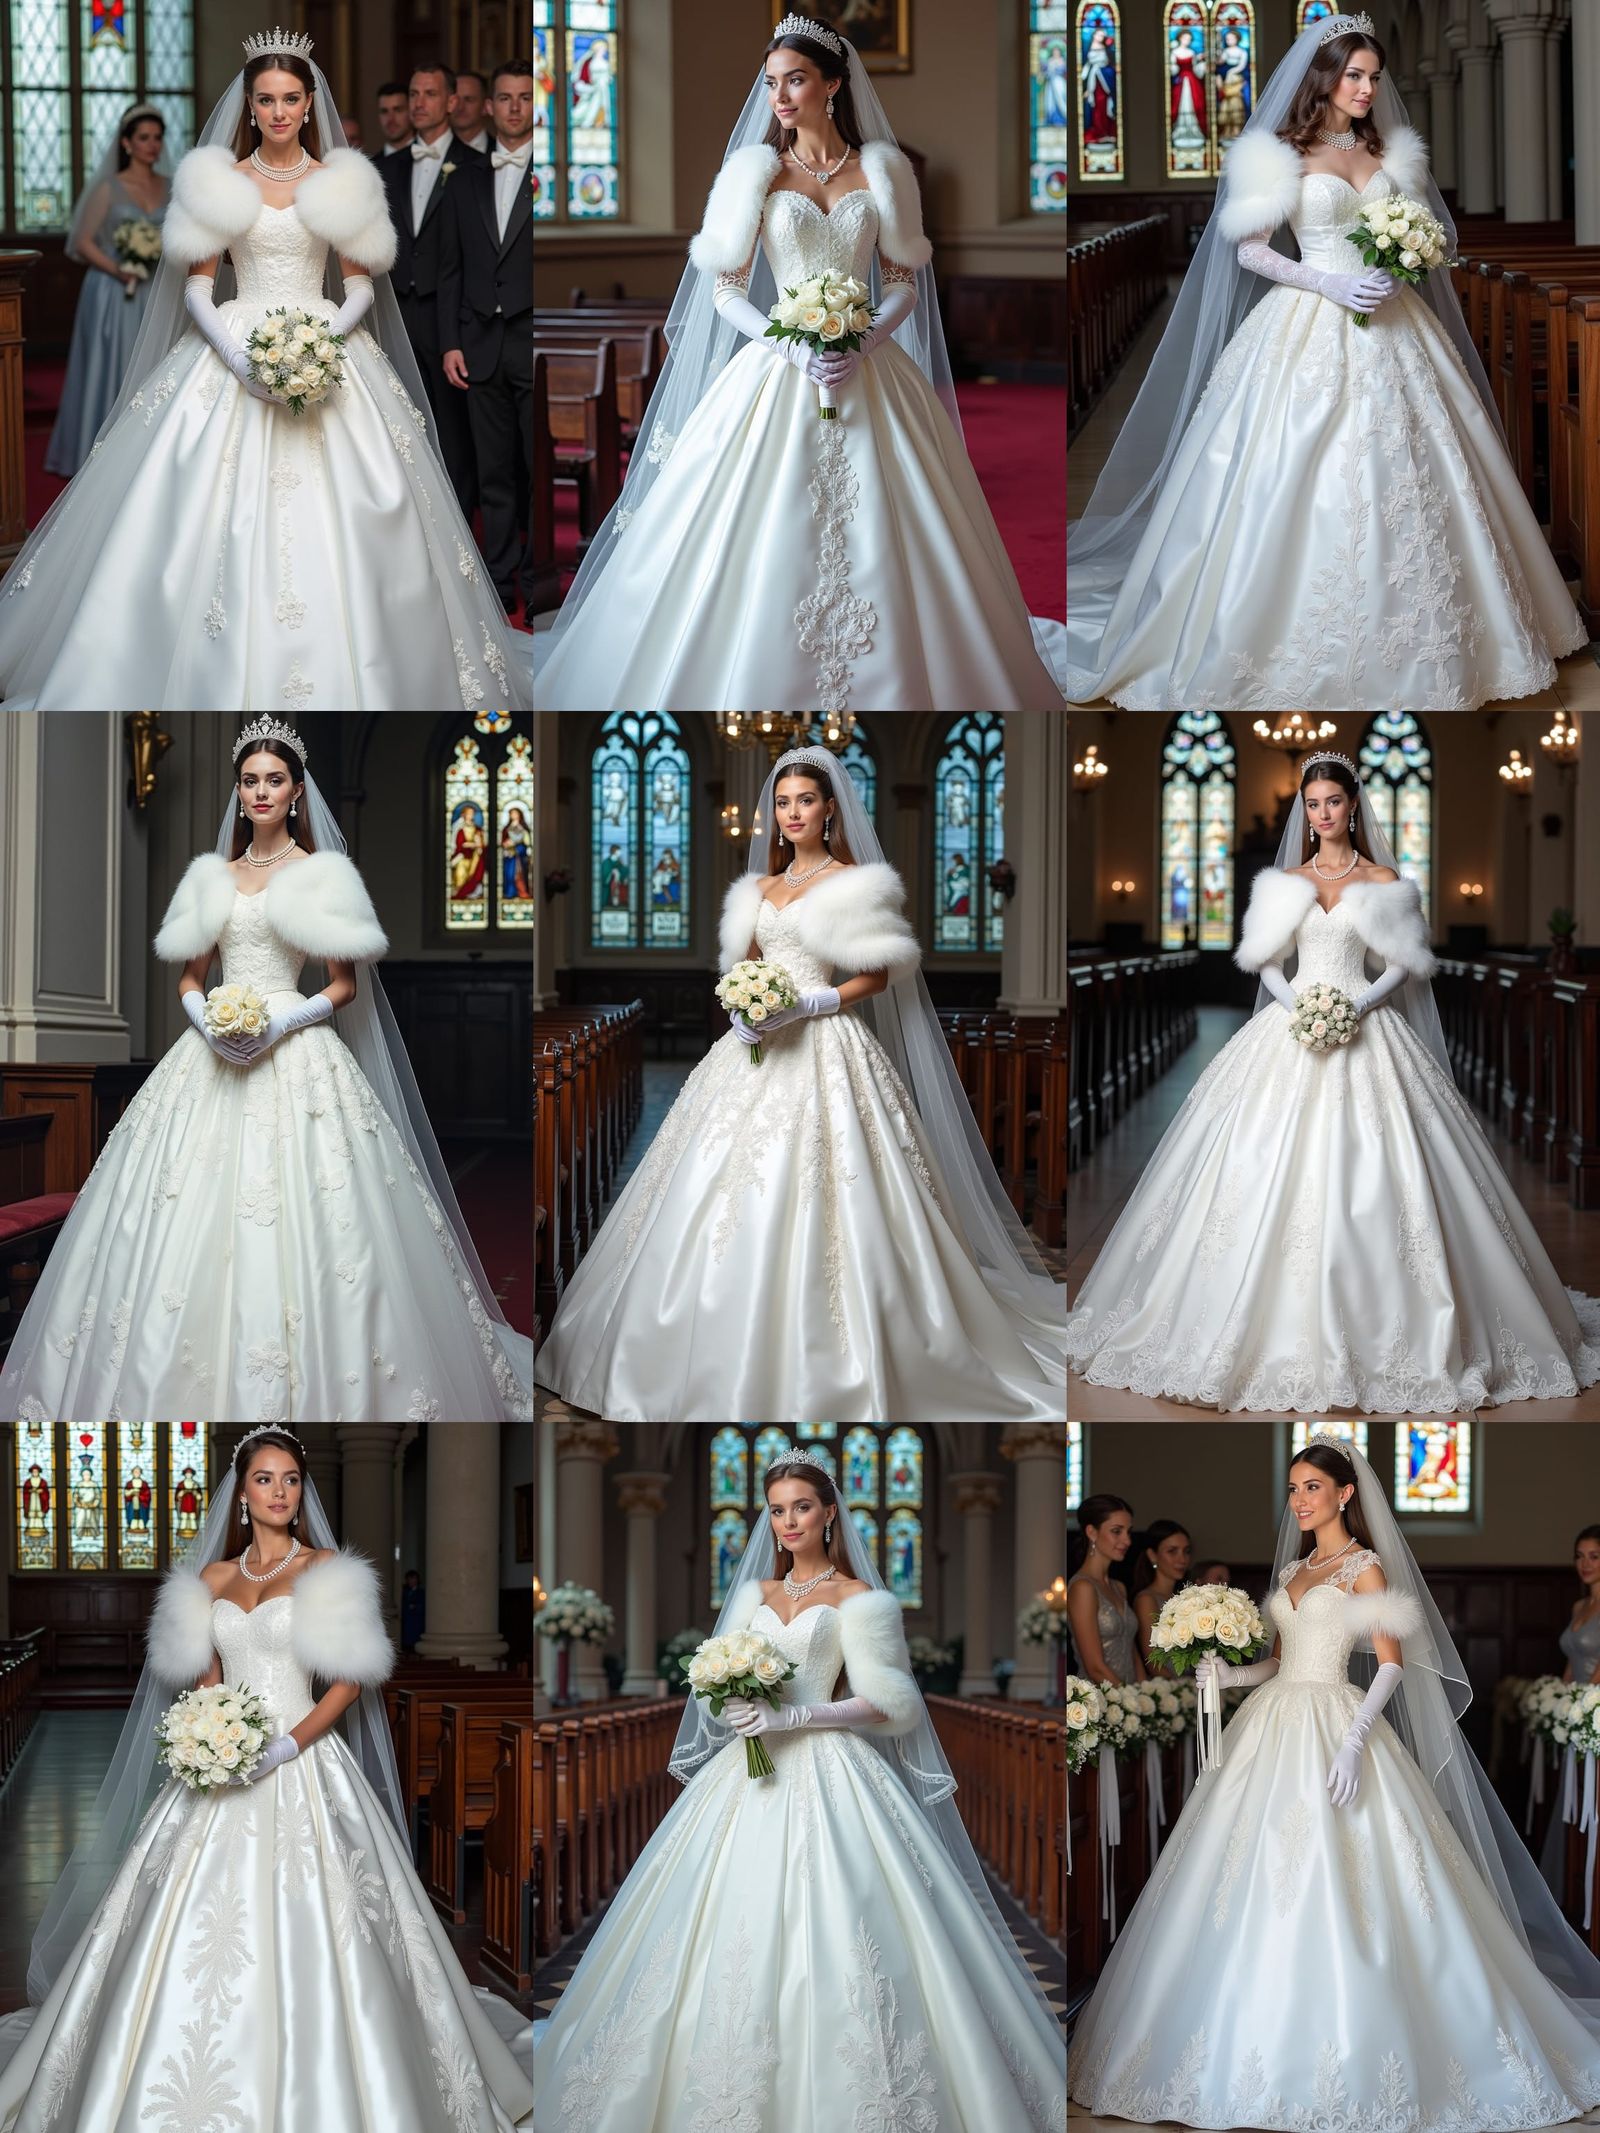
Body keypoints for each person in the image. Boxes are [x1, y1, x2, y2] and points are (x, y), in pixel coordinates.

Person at [0, 716, 532, 1423]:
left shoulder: (320, 874)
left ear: (296, 789)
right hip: (211, 1050)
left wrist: (281, 1020)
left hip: (296, 1046)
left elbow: (343, 984)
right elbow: (190, 976)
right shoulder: (212, 875)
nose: (259, 791)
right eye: (249, 780)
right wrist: (210, 1023)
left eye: (273, 779)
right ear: (239, 789)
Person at [0, 1428, 534, 2130]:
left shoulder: (326, 1570)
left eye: (289, 1478)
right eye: (263, 1478)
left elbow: (346, 1682)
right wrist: (207, 1734)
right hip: (221, 1769)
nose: (278, 1490)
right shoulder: (212, 1578)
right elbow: (208, 1680)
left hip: (303, 1758)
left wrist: (285, 1743)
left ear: (300, 1490)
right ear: (242, 1490)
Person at [534, 14, 1068, 712]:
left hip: (866, 368)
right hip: (775, 370)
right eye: (771, 83)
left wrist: (863, 341)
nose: (779, 97)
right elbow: (724, 290)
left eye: (795, 80)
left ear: (833, 84)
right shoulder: (754, 174)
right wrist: (788, 342)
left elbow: (904, 281)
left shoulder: (882, 172)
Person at [1070, 1435, 1600, 2126]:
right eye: (1293, 1487)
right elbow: (1280, 1660)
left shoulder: (1365, 1569)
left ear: (1346, 1492)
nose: (1298, 1498)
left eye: (1311, 1486)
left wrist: (1353, 1740)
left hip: (1336, 1722)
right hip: (1272, 1720)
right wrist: (1228, 1674)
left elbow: (1387, 1662)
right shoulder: (1293, 1569)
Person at [1063, 11, 1587, 712]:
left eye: (1374, 76)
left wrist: (1398, 270)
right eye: (1354, 75)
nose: (1368, 88)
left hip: (1396, 326)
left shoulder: (1388, 155)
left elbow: (1419, 239)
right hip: (1308, 319)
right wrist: (1332, 282)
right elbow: (1249, 249)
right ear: (1324, 77)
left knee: (1426, 472)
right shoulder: (1277, 154)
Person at [529, 1448, 1067, 2127]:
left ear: (829, 1511)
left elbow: (893, 1702)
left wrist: (797, 1713)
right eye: (777, 1508)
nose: (788, 1520)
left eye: (801, 1506)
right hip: (746, 1775)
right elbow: (710, 1677)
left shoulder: (861, 1599)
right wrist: (732, 1705)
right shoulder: (754, 1594)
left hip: (831, 1766)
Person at [532, 746, 1066, 1423]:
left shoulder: (854, 882)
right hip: (752, 1049)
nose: (792, 813)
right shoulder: (756, 889)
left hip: (825, 1040)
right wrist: (743, 1012)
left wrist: (809, 1004)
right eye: (782, 802)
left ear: (830, 808)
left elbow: (876, 974)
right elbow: (742, 966)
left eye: (805, 801)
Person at [0, 29, 527, 711]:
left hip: (325, 344)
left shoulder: (343, 182)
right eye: (265, 100)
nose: (278, 112)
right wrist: (241, 357)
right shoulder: (218, 181)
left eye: (290, 99)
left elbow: (361, 288)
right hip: (234, 342)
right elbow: (196, 288)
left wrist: (318, 341)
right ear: (249, 108)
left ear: (310, 105)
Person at [1067, 749, 1600, 1410]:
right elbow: (1265, 961)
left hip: (1366, 1025)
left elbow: (1402, 963)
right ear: (1306, 809)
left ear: (1352, 804)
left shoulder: (1381, 878)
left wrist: (1358, 1005)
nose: (1323, 814)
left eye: (1334, 802)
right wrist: (1301, 1008)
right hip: (1290, 1028)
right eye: (1313, 803)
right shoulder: (1284, 881)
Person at [441, 61, 534, 618]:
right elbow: (449, 269)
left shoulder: (544, 174)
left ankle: (532, 576)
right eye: (505, 98)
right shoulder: (465, 177)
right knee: (492, 471)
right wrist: (451, 340)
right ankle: (499, 587)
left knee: (528, 469)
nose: (514, 107)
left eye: (524, 97)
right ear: (488, 106)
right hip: (478, 344)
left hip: (529, 340)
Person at [377, 61, 486, 519]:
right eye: (414, 93)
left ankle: (454, 522)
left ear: (452, 102)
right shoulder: (383, 168)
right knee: (394, 422)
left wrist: (457, 333)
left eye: (429, 94)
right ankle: (406, 518)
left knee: (452, 429)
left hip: (450, 318)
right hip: (396, 311)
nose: (418, 103)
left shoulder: (478, 167)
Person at [44, 104, 170, 479]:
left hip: (155, 289)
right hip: (114, 291)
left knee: (155, 363)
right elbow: (82, 242)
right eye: (143, 138)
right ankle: (101, 450)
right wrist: (120, 269)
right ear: (127, 143)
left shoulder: (171, 185)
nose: (152, 145)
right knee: (111, 365)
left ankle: (149, 448)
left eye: (157, 138)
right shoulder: (108, 188)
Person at [1068, 1495, 1144, 1685]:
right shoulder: (1082, 1588)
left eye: (1128, 1532)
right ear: (1092, 1532)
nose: (1127, 1541)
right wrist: (1131, 1702)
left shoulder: (1119, 1588)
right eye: (1117, 1531)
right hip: (1099, 1702)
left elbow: (1131, 1649)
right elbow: (1094, 1667)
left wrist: (1148, 1694)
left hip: (1132, 1702)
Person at [1131, 1517, 1193, 1675]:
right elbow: (1153, 1661)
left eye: (1186, 1551)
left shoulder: (1186, 1597)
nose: (1182, 1559)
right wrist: (1180, 1691)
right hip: (1168, 1689)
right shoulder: (1147, 1599)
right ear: (1152, 1555)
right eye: (1172, 1551)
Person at [452, 69, 495, 155]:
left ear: (485, 106)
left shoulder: (502, 153)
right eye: (455, 100)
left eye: (469, 100)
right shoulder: (433, 152)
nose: (460, 107)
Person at [371, 78, 414, 160]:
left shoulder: (426, 155)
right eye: (384, 111)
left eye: (398, 110)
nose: (391, 119)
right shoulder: (372, 166)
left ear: (411, 111)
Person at [400, 1566, 426, 1652]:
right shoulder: (404, 1592)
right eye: (409, 1579)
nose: (411, 1581)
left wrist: (415, 1607)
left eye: (413, 1578)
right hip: (406, 1623)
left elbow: (422, 1607)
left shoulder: (421, 1593)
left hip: (416, 1623)